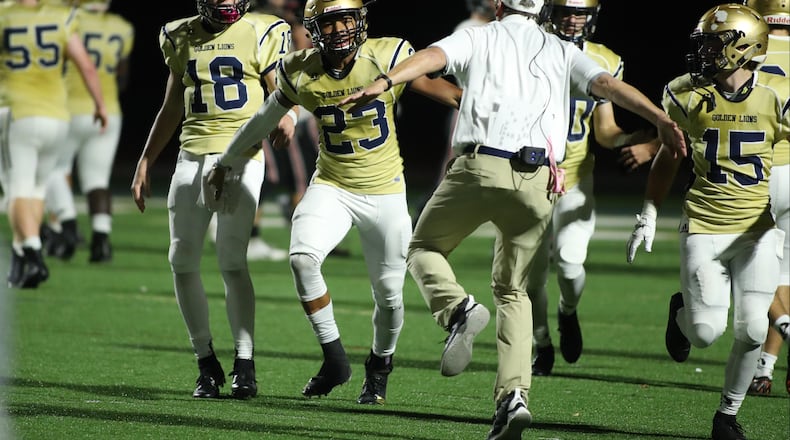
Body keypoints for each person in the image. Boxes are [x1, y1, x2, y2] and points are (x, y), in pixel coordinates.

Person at [341, 0, 686, 437]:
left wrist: (386, 80)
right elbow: (607, 84)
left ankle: (458, 309)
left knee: (423, 248)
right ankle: (513, 396)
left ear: (501, 4)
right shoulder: (562, 48)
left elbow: (432, 57)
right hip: (540, 180)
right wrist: (659, 118)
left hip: (482, 166)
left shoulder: (480, 34)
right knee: (514, 292)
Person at [207, 0, 462, 405]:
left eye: (347, 18)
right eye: (330, 22)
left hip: (386, 191)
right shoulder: (299, 69)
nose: (341, 29)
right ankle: (334, 357)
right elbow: (263, 118)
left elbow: (444, 91)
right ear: (313, 28)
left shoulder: (386, 55)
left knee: (390, 297)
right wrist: (226, 160)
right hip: (332, 185)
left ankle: (379, 367)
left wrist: (489, 117)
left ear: (361, 21)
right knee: (302, 258)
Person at [626, 4, 789, 439]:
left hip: (757, 230)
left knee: (755, 326)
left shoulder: (777, 93)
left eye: (714, 43)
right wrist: (649, 211)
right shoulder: (685, 93)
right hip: (704, 225)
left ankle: (727, 416)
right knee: (703, 333)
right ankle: (680, 312)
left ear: (745, 47)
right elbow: (669, 152)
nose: (704, 52)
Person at [129, 0, 294, 399]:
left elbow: (282, 93)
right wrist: (146, 159)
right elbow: (172, 104)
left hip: (241, 156)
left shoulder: (263, 30)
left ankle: (244, 362)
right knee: (181, 258)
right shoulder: (178, 35)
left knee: (231, 260)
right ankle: (205, 361)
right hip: (191, 155)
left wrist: (288, 117)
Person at [527, 0, 661, 376]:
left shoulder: (603, 59)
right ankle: (541, 344)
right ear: (549, 11)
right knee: (530, 274)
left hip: (573, 176)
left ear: (592, 16)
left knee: (569, 264)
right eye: (566, 11)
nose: (573, 19)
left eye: (580, 12)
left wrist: (632, 138)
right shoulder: (528, 47)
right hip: (527, 176)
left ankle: (567, 312)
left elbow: (604, 131)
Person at [0, 0, 107, 289]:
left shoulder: (5, 14)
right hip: (57, 116)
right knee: (36, 189)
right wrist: (100, 105)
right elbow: (86, 66)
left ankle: (33, 252)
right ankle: (22, 258)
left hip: (16, 112)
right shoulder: (60, 16)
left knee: (16, 188)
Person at [42, 0, 133, 263]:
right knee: (98, 180)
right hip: (107, 109)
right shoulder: (122, 27)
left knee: (54, 169)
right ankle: (101, 241)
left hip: (67, 107)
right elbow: (122, 78)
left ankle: (67, 226)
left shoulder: (67, 18)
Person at [744, 0, 790, 397]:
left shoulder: (743, 43)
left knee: (745, 267)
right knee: (787, 275)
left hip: (760, 171)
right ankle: (766, 367)